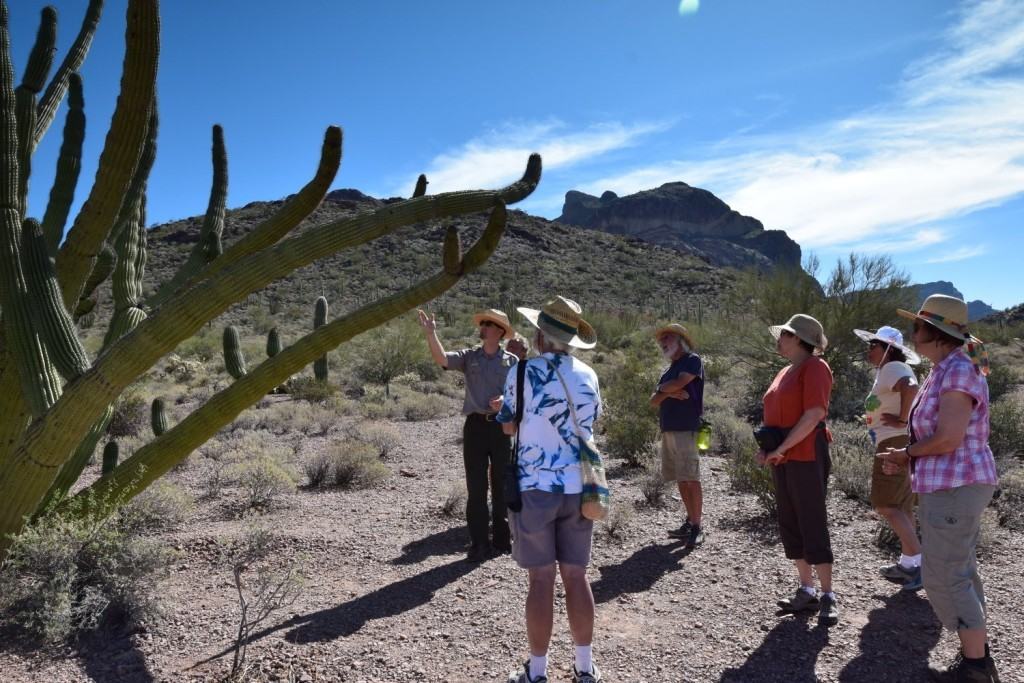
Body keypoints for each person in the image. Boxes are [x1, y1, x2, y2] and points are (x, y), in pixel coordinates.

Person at [880, 294, 1000, 682]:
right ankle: (976, 652)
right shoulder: (946, 368)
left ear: (934, 333)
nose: (912, 335)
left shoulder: (957, 372)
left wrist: (906, 454)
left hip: (956, 484)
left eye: (917, 328)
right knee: (958, 570)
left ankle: (975, 667)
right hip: (953, 483)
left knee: (945, 576)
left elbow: (948, 438)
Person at [497, 296, 603, 683]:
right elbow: (592, 424)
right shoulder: (588, 375)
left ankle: (537, 672)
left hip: (534, 486)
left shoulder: (521, 373)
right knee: (576, 576)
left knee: (541, 579)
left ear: (541, 334)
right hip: (580, 488)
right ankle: (584, 668)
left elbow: (508, 426)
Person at [418, 307, 520, 562]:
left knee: (501, 484)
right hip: (475, 427)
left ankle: (501, 539)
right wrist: (431, 334)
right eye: (483, 323)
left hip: (500, 427)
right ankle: (478, 544)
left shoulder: (512, 362)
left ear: (499, 331)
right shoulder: (469, 356)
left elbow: (518, 395)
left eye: (489, 323)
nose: (483, 326)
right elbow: (442, 359)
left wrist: (505, 400)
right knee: (476, 487)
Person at [758, 314, 839, 626]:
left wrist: (781, 448)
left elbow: (814, 414)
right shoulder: (785, 370)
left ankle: (828, 594)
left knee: (811, 519)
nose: (779, 339)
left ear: (798, 338)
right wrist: (768, 448)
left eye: (785, 334)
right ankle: (807, 589)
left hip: (805, 454)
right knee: (790, 520)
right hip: (784, 456)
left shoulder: (816, 368)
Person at [853, 325, 922, 590]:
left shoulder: (893, 368)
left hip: (895, 441)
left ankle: (920, 562)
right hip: (898, 440)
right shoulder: (888, 370)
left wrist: (903, 418)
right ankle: (908, 564)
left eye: (875, 346)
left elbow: (911, 388)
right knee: (902, 505)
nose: (870, 349)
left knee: (885, 503)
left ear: (889, 350)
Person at [650, 323, 705, 548]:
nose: (663, 342)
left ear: (680, 340)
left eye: (668, 338)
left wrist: (664, 390)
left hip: (686, 427)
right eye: (662, 339)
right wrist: (668, 391)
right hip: (670, 428)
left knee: (691, 478)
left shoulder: (692, 360)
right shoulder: (668, 370)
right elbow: (653, 401)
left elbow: (681, 382)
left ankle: (697, 527)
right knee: (681, 479)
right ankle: (690, 521)